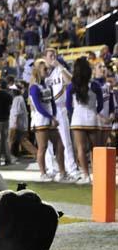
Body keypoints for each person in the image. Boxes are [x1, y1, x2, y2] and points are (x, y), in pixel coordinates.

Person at [66, 57, 103, 184]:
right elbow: (101, 105)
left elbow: (67, 105)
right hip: (92, 118)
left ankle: (86, 176)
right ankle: (97, 176)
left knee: (81, 148)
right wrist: (94, 111)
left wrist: (74, 113)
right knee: (96, 149)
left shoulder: (72, 86)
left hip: (77, 119)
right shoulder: (95, 85)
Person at [44, 48, 79, 180]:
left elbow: (71, 82)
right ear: (45, 57)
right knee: (47, 143)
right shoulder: (42, 73)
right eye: (50, 55)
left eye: (55, 55)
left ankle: (72, 170)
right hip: (47, 109)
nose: (53, 57)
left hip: (60, 109)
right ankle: (51, 169)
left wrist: (59, 65)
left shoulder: (60, 69)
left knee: (65, 140)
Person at [29, 60, 66, 182]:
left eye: (47, 69)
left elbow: (53, 103)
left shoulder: (48, 85)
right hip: (40, 121)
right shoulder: (34, 88)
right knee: (43, 147)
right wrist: (51, 118)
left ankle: (62, 172)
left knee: (60, 145)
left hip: (50, 120)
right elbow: (38, 107)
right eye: (45, 69)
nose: (47, 71)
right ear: (38, 71)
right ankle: (43, 173)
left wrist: (54, 116)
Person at [8, 83, 37, 159]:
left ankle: (37, 153)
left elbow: (15, 113)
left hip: (16, 125)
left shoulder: (17, 99)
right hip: (19, 124)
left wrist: (14, 125)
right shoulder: (19, 98)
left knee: (13, 140)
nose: (11, 91)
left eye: (12, 90)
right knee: (20, 141)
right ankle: (12, 156)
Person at [93, 62, 115, 146]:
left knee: (105, 147)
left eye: (103, 66)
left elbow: (111, 103)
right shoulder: (92, 85)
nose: (103, 68)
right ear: (94, 71)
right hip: (96, 120)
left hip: (107, 120)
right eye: (100, 67)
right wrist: (101, 118)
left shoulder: (108, 85)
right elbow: (91, 106)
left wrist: (111, 115)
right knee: (96, 147)